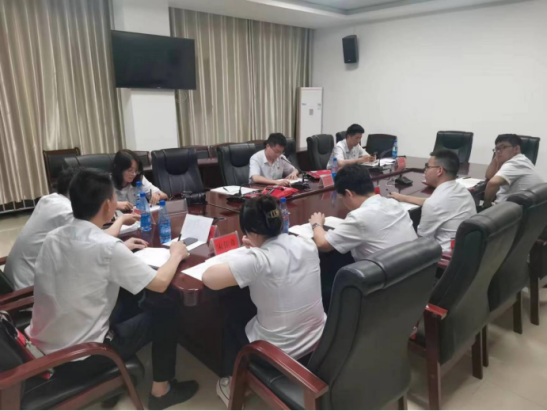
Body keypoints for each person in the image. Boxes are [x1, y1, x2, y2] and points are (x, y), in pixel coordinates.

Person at [27, 169, 198, 410]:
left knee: (127, 293)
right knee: (167, 305)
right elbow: (159, 283)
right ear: (108, 205)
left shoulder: (53, 236)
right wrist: (176, 254)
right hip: (83, 356)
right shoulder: (107, 247)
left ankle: (114, 386)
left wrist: (119, 249)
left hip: (43, 347)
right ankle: (162, 391)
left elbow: (87, 256)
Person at [202, 195, 326, 407]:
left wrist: (255, 251)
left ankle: (231, 384)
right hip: (318, 344)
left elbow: (209, 278)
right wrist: (259, 245)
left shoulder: (258, 261)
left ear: (250, 232)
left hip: (280, 357)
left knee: (232, 318)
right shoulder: (307, 244)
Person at [4, 168, 139, 290]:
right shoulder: (66, 211)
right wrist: (121, 220)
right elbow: (99, 239)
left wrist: (113, 205)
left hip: (19, 276)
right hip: (29, 288)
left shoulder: (49, 199)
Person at [309, 164, 417, 261]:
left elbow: (322, 244)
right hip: (414, 269)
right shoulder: (394, 203)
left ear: (348, 194)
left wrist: (316, 224)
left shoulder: (359, 217)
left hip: (385, 275)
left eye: (342, 197)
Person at [390, 150, 476, 252]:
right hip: (467, 250)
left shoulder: (435, 203)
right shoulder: (461, 190)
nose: (425, 171)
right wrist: (403, 197)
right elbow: (432, 202)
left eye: (428, 167)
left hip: (444, 256)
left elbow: (421, 243)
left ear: (439, 170)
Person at [484, 134, 543, 207]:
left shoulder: (515, 163)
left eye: (503, 147)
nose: (498, 151)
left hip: (508, 209)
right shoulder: (521, 160)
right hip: (516, 207)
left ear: (516, 149)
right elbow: (489, 176)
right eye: (497, 149)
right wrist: (498, 156)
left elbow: (493, 183)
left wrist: (486, 205)